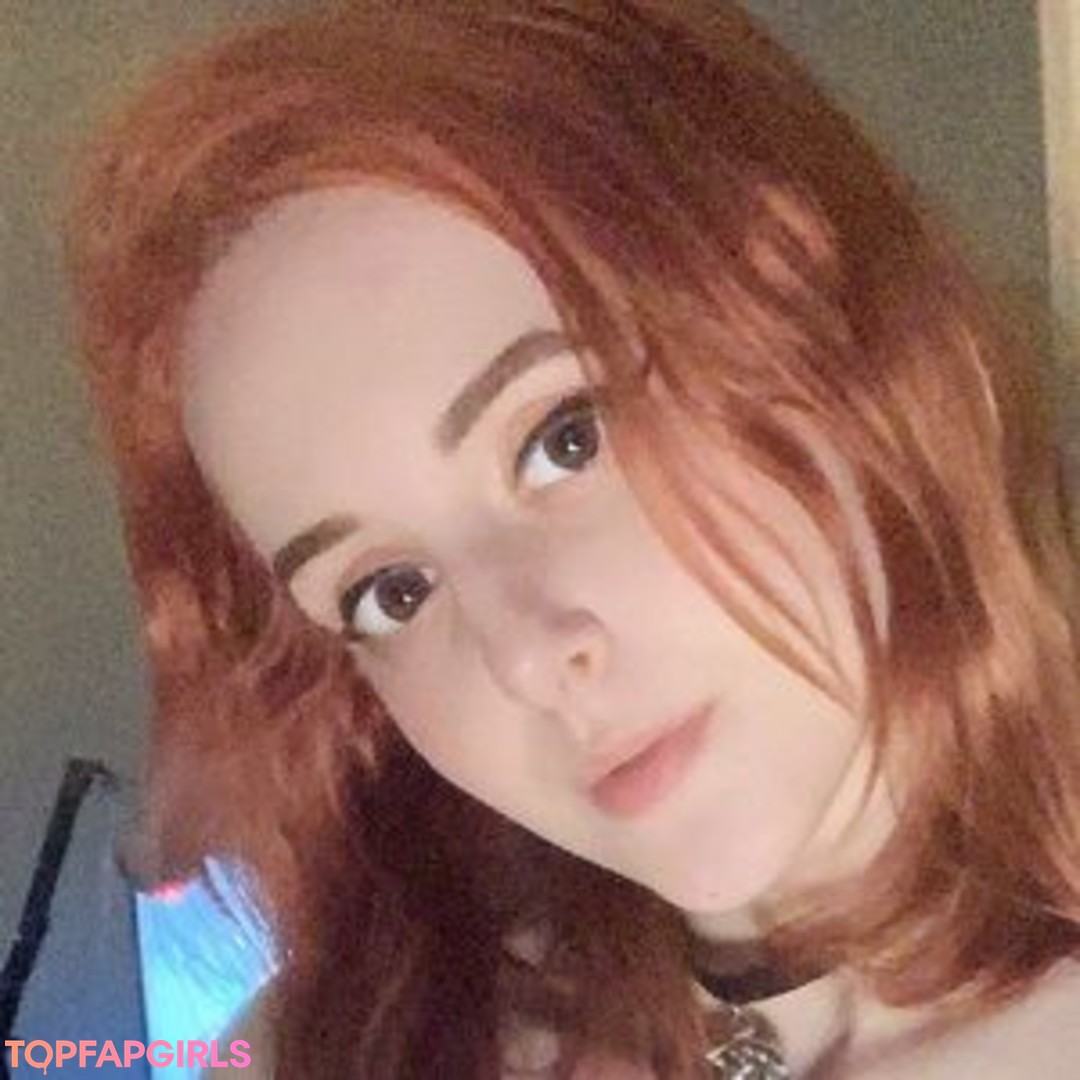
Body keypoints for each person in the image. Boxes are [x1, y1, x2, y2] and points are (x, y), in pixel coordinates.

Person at [65, 1, 1080, 1076]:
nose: (523, 656)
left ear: (793, 289)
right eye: (391, 591)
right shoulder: (329, 1048)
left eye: (563, 440)